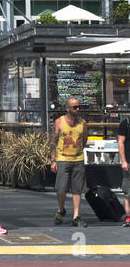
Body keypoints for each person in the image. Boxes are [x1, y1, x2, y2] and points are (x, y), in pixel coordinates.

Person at [52, 97, 89, 227]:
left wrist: (78, 152)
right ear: (67, 109)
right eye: (74, 107)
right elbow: (54, 142)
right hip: (62, 159)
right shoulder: (59, 122)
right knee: (61, 188)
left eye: (78, 107)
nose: (77, 109)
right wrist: (53, 160)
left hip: (78, 159)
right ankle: (61, 209)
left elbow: (84, 140)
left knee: (77, 189)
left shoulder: (82, 123)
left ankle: (76, 215)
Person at [118, 111, 130, 227]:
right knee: (128, 192)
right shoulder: (125, 124)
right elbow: (121, 142)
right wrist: (124, 161)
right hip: (129, 162)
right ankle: (128, 218)